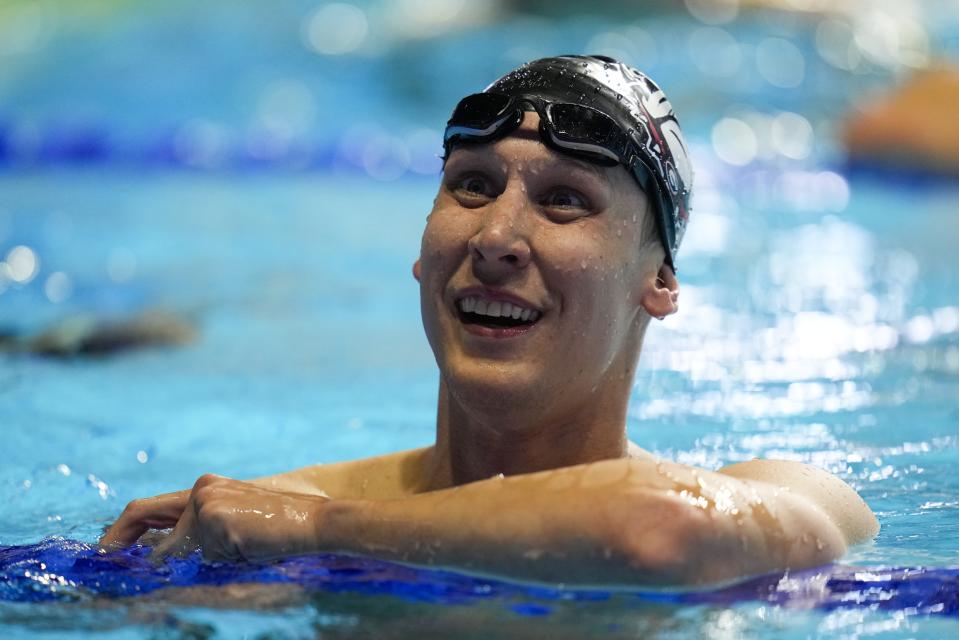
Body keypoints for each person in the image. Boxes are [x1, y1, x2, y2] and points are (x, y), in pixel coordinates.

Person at [100, 55, 878, 587]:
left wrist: (321, 536)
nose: (496, 238)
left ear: (660, 281)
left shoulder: (782, 491)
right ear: (419, 253)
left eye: (565, 199)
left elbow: (660, 529)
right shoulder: (254, 515)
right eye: (471, 186)